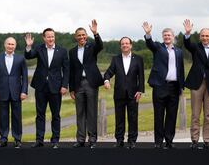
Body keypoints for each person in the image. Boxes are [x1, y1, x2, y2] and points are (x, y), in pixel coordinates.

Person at [142, 22, 184, 149]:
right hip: (160, 86)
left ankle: (169, 140)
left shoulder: (179, 51)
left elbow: (180, 69)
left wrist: (181, 85)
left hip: (174, 87)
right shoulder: (158, 48)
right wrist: (148, 34)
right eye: (165, 35)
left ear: (173, 36)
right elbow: (150, 44)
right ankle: (158, 141)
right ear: (162, 37)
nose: (167, 37)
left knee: (172, 115)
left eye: (169, 35)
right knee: (159, 115)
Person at [24, 29, 69, 149]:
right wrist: (28, 46)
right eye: (48, 37)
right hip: (41, 87)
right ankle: (39, 140)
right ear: (44, 38)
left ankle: (55, 140)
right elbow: (28, 56)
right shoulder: (39, 48)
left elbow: (66, 70)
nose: (50, 39)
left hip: (56, 87)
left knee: (56, 115)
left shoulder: (62, 51)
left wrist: (65, 85)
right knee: (40, 114)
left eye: (52, 36)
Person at [182, 20, 209, 149]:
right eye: (202, 36)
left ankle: (207, 140)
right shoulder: (196, 48)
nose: (205, 38)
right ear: (200, 37)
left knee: (208, 115)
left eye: (207, 36)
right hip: (197, 84)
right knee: (195, 114)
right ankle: (194, 140)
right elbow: (187, 44)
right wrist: (187, 33)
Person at [103, 36, 144, 149]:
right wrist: (106, 80)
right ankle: (119, 140)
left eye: (127, 43)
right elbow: (108, 72)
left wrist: (140, 90)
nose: (125, 45)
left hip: (133, 94)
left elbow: (141, 76)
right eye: (123, 44)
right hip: (119, 94)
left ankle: (132, 140)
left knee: (133, 118)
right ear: (120, 46)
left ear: (131, 45)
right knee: (119, 118)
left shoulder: (138, 59)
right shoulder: (115, 59)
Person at [69, 19, 104, 149]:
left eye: (83, 35)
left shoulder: (92, 47)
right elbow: (71, 71)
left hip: (91, 83)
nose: (82, 37)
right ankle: (80, 139)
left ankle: (93, 139)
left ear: (86, 36)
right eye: (79, 35)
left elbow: (100, 46)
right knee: (80, 113)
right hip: (78, 85)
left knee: (91, 112)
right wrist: (71, 88)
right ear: (75, 37)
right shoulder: (72, 51)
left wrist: (95, 33)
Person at [0, 37, 28, 148]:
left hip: (17, 92)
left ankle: (17, 139)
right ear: (5, 45)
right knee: (3, 116)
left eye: (12, 44)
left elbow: (25, 77)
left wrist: (24, 91)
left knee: (17, 116)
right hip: (2, 91)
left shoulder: (20, 58)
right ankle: (3, 139)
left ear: (15, 46)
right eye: (9, 44)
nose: (10, 46)